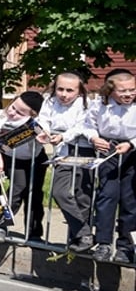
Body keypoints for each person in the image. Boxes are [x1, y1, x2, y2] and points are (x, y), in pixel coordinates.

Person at [81, 70, 136, 263]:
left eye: (132, 90)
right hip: (109, 151)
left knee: (130, 200)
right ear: (111, 90)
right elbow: (87, 125)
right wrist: (94, 138)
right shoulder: (100, 105)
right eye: (123, 91)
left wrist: (131, 143)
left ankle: (126, 247)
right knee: (107, 196)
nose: (128, 94)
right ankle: (103, 243)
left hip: (132, 151)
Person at [0, 90, 48, 241]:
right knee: (10, 192)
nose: (12, 112)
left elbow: (45, 129)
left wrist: (43, 135)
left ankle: (34, 234)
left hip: (32, 160)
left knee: (33, 196)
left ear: (32, 115)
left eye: (19, 112)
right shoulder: (3, 115)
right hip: (8, 156)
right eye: (13, 106)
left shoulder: (39, 121)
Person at [38, 73, 94, 251]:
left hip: (82, 149)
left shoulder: (85, 104)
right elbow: (43, 119)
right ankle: (84, 233)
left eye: (70, 90)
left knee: (82, 196)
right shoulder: (49, 101)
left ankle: (77, 241)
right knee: (60, 191)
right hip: (63, 152)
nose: (64, 94)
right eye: (60, 89)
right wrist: (46, 132)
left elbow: (81, 126)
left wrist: (63, 136)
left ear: (79, 91)